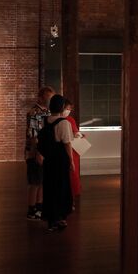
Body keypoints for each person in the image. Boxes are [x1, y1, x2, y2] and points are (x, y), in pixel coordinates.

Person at [39, 94, 74, 233]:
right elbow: (67, 143)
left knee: (49, 187)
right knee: (62, 187)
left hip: (49, 159)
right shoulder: (64, 123)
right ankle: (61, 217)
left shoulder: (45, 120)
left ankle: (50, 220)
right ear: (61, 107)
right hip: (60, 159)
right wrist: (71, 161)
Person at [25, 86, 54, 219]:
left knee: (43, 181)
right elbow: (33, 134)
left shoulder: (47, 112)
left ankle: (40, 206)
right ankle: (31, 209)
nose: (50, 100)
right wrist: (37, 152)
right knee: (35, 182)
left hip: (45, 151)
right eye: (48, 97)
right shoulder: (34, 112)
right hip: (35, 152)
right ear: (40, 98)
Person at [64, 99, 83, 202]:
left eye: (69, 109)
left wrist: (79, 135)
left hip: (73, 148)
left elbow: (76, 132)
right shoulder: (60, 120)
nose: (68, 111)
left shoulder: (70, 119)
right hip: (67, 148)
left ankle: (72, 195)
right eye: (67, 108)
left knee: (72, 173)